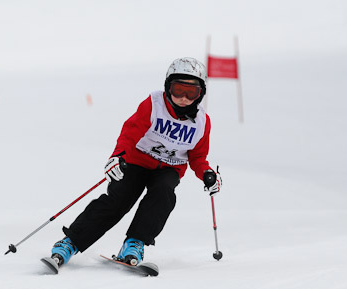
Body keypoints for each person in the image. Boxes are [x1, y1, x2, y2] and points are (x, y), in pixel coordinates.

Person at [49, 57, 222, 266]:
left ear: (200, 93)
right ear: (168, 88)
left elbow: (197, 156)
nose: (184, 98)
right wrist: (118, 156)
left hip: (169, 167)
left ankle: (134, 243)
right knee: (118, 200)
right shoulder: (154, 105)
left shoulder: (202, 122)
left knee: (163, 194)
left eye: (191, 92)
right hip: (137, 161)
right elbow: (130, 133)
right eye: (178, 90)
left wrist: (207, 173)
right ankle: (71, 242)